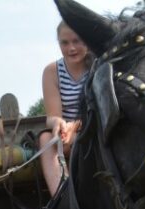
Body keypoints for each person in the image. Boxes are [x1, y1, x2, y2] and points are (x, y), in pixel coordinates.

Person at [39, 21, 91, 196]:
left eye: (77, 41)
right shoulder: (51, 72)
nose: (72, 48)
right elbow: (52, 116)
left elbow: (99, 110)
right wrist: (59, 125)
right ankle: (63, 198)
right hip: (67, 135)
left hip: (93, 129)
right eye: (65, 43)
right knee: (46, 139)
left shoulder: (99, 67)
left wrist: (76, 126)